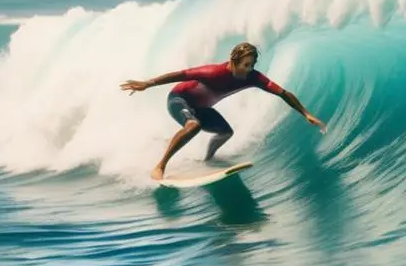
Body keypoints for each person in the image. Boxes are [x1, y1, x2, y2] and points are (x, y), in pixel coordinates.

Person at [119, 42, 326, 180]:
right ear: (233, 61)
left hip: (201, 108)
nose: (249, 69)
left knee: (226, 132)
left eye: (252, 65)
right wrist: (147, 83)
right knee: (194, 126)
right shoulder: (212, 72)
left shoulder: (253, 77)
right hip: (178, 100)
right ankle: (161, 166)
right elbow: (179, 75)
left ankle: (208, 160)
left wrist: (305, 113)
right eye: (245, 65)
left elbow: (283, 93)